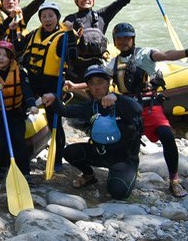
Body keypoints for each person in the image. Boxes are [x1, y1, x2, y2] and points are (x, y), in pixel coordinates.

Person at [68, 23, 188, 197]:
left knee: (167, 136)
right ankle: (113, 171)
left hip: (149, 107)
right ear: (114, 41)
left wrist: (185, 52)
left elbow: (166, 55)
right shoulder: (113, 63)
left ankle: (174, 180)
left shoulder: (145, 54)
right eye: (119, 38)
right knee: (116, 140)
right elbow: (97, 81)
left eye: (127, 38)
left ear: (133, 39)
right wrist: (73, 87)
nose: (123, 41)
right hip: (127, 110)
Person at [42, 65, 144, 200]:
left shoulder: (121, 102)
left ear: (108, 83)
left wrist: (117, 99)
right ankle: (89, 175)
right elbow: (65, 111)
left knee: (118, 193)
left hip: (123, 159)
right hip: (99, 153)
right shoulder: (90, 106)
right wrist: (54, 98)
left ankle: (119, 175)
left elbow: (138, 109)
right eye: (92, 84)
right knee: (70, 152)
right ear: (88, 86)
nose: (97, 87)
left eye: (100, 83)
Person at [63, 0, 150, 82]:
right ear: (76, 1)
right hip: (76, 65)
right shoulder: (69, 19)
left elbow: (122, 1)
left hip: (97, 64)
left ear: (93, 1)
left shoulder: (102, 15)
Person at [20, 2, 75, 171]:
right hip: (33, 82)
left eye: (51, 16)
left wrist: (71, 35)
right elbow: (18, 46)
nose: (47, 19)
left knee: (55, 123)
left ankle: (57, 159)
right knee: (19, 112)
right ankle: (20, 148)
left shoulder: (63, 37)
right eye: (44, 16)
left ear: (57, 18)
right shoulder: (34, 34)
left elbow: (72, 58)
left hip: (52, 85)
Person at [0, 41, 38, 180]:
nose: (0, 58)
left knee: (18, 140)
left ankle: (25, 171)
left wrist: (32, 104)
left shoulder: (20, 72)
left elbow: (27, 90)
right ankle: (2, 166)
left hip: (14, 112)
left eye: (5, 56)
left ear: (11, 58)